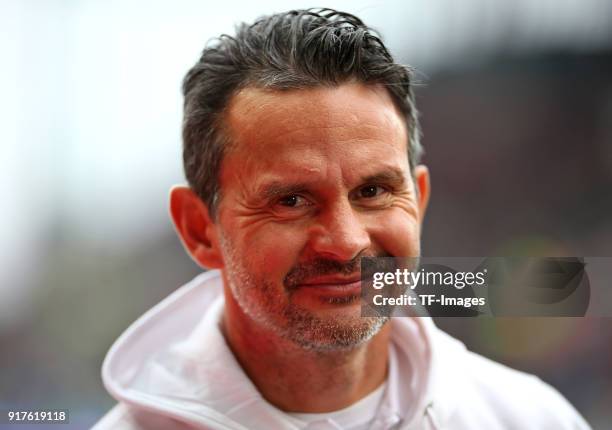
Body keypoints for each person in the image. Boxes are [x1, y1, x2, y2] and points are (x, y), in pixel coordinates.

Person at [93, 8, 590, 430]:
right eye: (290, 200)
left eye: (373, 191)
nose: (346, 242)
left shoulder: (530, 418)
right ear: (200, 229)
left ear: (416, 200)